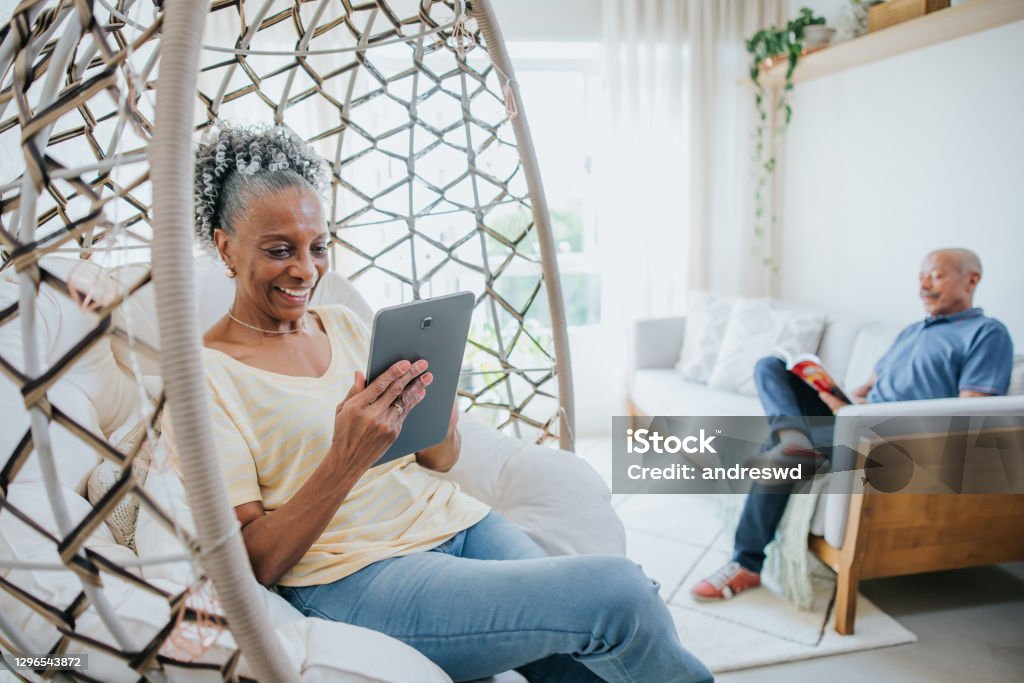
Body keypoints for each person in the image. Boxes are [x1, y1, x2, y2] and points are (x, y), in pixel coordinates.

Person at [179, 125, 712, 683]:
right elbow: (254, 563)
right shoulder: (204, 379)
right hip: (357, 576)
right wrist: (347, 456)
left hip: (459, 524)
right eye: (279, 250)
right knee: (620, 594)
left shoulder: (341, 323)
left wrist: (434, 417)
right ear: (226, 247)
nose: (306, 270)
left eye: (318, 247)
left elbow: (437, 460)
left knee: (583, 666)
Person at [691, 248, 1014, 601]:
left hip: (892, 439)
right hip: (857, 419)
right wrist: (838, 397)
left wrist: (867, 414)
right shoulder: (912, 332)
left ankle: (746, 563)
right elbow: (868, 390)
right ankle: (792, 436)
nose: (923, 285)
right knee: (770, 366)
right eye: (921, 276)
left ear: (972, 279)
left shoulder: (986, 333)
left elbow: (970, 416)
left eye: (935, 275)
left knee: (782, 453)